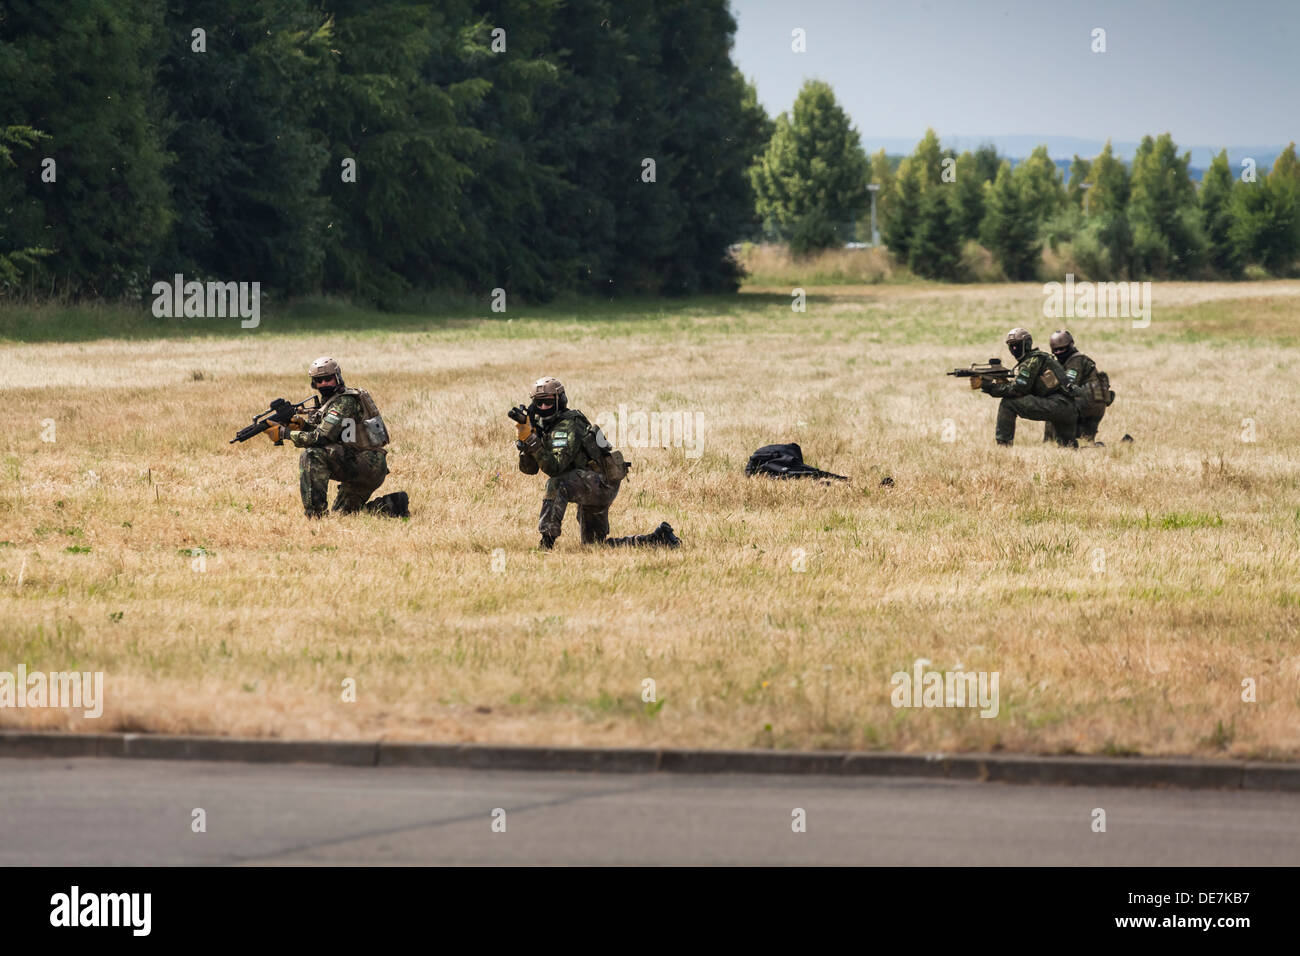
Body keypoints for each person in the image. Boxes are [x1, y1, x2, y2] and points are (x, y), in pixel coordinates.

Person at [512, 376, 678, 550]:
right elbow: (529, 469)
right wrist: (525, 444)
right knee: (595, 546)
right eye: (539, 403)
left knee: (557, 483)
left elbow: (554, 468)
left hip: (601, 483)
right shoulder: (542, 425)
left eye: (547, 403)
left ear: (559, 400)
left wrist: (532, 441)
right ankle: (657, 539)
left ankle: (546, 544)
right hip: (588, 481)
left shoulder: (569, 424)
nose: (543, 407)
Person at [266, 356, 407, 518]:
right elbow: (336, 435)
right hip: (366, 463)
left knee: (312, 455)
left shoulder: (344, 402)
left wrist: (285, 434)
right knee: (343, 515)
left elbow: (322, 438)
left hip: (364, 462)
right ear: (314, 383)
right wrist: (303, 426)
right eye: (319, 380)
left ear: (337, 377)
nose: (324, 384)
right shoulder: (335, 401)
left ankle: (315, 516)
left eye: (328, 379)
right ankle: (394, 504)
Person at [978, 328, 1078, 446]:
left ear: (1026, 345)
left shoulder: (1031, 362)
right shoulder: (1038, 358)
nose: (1014, 350)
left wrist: (989, 386)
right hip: (1066, 407)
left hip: (1057, 405)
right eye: (1011, 346)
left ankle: (1003, 445)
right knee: (1068, 447)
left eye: (1017, 346)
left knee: (1008, 404)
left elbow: (1018, 390)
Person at [1044, 330, 1109, 446]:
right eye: (1056, 350)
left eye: (1062, 349)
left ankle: (1050, 441)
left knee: (1054, 406)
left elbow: (1068, 387)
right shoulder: (1078, 359)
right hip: (1096, 403)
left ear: (1070, 345)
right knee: (1084, 441)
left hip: (1087, 403)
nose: (1058, 352)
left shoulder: (1075, 361)